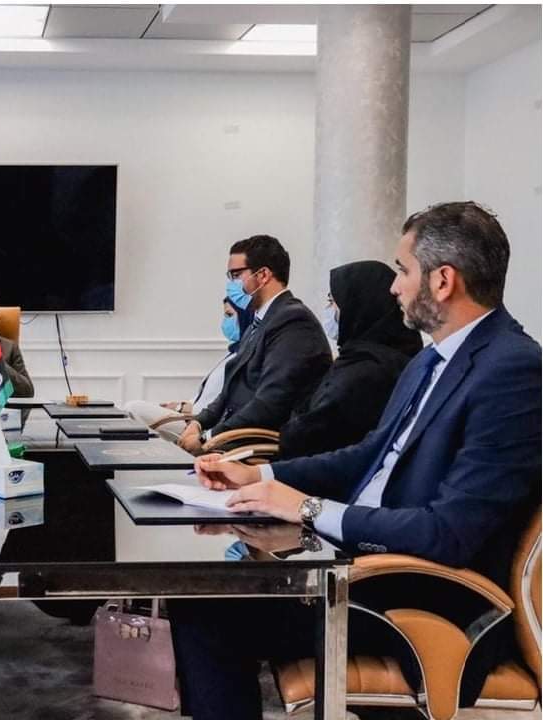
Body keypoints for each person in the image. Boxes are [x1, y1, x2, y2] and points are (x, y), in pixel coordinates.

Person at [171, 202, 542, 720]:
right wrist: (259, 474)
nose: (394, 287)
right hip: (364, 570)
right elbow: (369, 456)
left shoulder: (513, 369)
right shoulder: (430, 359)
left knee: (206, 612)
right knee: (202, 597)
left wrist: (307, 509)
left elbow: (450, 532)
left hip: (423, 601)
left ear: (442, 281)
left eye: (402, 270)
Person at [177, 235, 332, 454]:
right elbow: (228, 392)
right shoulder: (259, 321)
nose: (230, 284)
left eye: (236, 275)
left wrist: (207, 438)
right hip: (231, 436)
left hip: (254, 446)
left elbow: (269, 403)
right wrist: (198, 423)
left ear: (263, 275)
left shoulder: (294, 321)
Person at [277, 260, 424, 459]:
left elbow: (307, 436)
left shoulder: (365, 371)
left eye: (332, 302)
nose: (328, 310)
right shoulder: (371, 357)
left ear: (357, 306)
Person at [125, 299, 252, 442]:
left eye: (229, 315)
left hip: (199, 426)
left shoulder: (243, 359)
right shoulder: (232, 353)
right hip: (192, 418)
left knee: (133, 408)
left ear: (245, 317)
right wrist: (180, 405)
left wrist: (182, 408)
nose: (225, 321)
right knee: (135, 408)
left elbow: (219, 408)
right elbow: (205, 397)